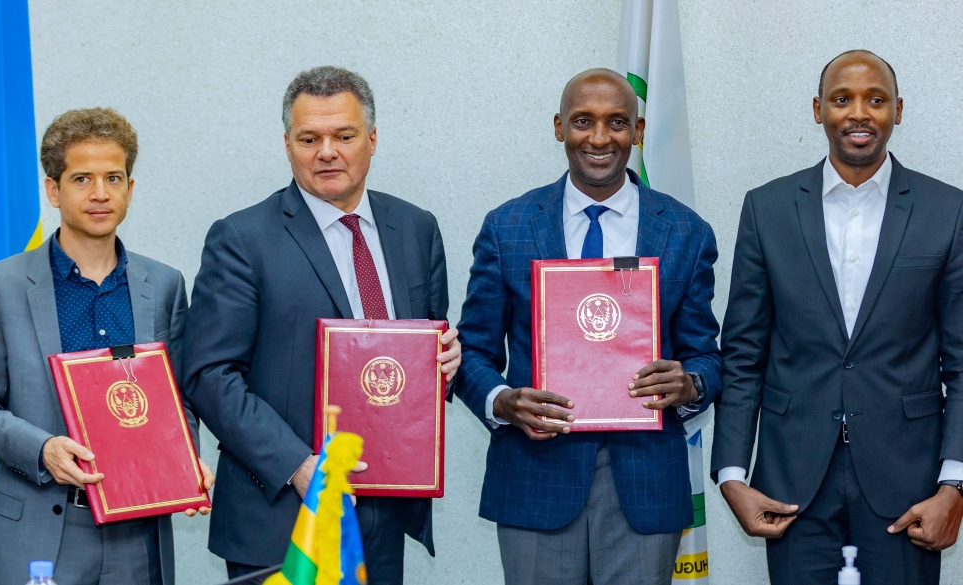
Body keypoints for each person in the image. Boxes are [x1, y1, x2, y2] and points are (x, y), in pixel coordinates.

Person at [181, 66, 461, 584]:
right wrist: (298, 465)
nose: (327, 151)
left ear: (372, 140)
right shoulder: (242, 239)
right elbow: (209, 374)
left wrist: (446, 361)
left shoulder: (416, 229)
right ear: (287, 144)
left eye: (344, 136)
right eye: (310, 138)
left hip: (384, 510)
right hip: (280, 515)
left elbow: (422, 359)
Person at [455, 68, 721, 585]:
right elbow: (472, 352)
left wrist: (689, 385)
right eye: (583, 121)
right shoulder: (508, 227)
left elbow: (707, 355)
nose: (600, 138)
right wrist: (502, 401)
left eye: (617, 122)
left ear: (638, 131)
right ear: (559, 127)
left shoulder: (686, 232)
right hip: (535, 478)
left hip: (644, 486)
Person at [711, 50, 963, 585]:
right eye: (842, 98)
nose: (859, 113)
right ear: (817, 109)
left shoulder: (949, 211)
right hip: (792, 477)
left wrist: (955, 485)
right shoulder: (768, 208)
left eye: (876, 100)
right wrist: (732, 473)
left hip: (908, 480)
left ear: (898, 110)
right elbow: (743, 353)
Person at [0, 108, 213, 585]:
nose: (100, 193)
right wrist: (43, 450)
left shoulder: (162, 285)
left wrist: (184, 459)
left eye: (113, 177)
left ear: (130, 189)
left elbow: (179, 398)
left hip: (138, 534)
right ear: (53, 190)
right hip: (38, 530)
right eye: (82, 178)